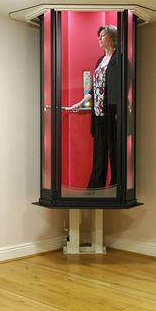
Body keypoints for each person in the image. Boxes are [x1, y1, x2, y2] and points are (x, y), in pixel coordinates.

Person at [69, 25, 118, 189]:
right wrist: (80, 102)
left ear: (111, 37)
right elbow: (94, 88)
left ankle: (115, 188)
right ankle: (95, 188)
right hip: (98, 114)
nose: (99, 39)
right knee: (99, 152)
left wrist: (120, 111)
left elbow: (121, 88)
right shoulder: (99, 60)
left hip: (112, 114)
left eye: (102, 35)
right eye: (99, 36)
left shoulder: (119, 59)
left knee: (115, 152)